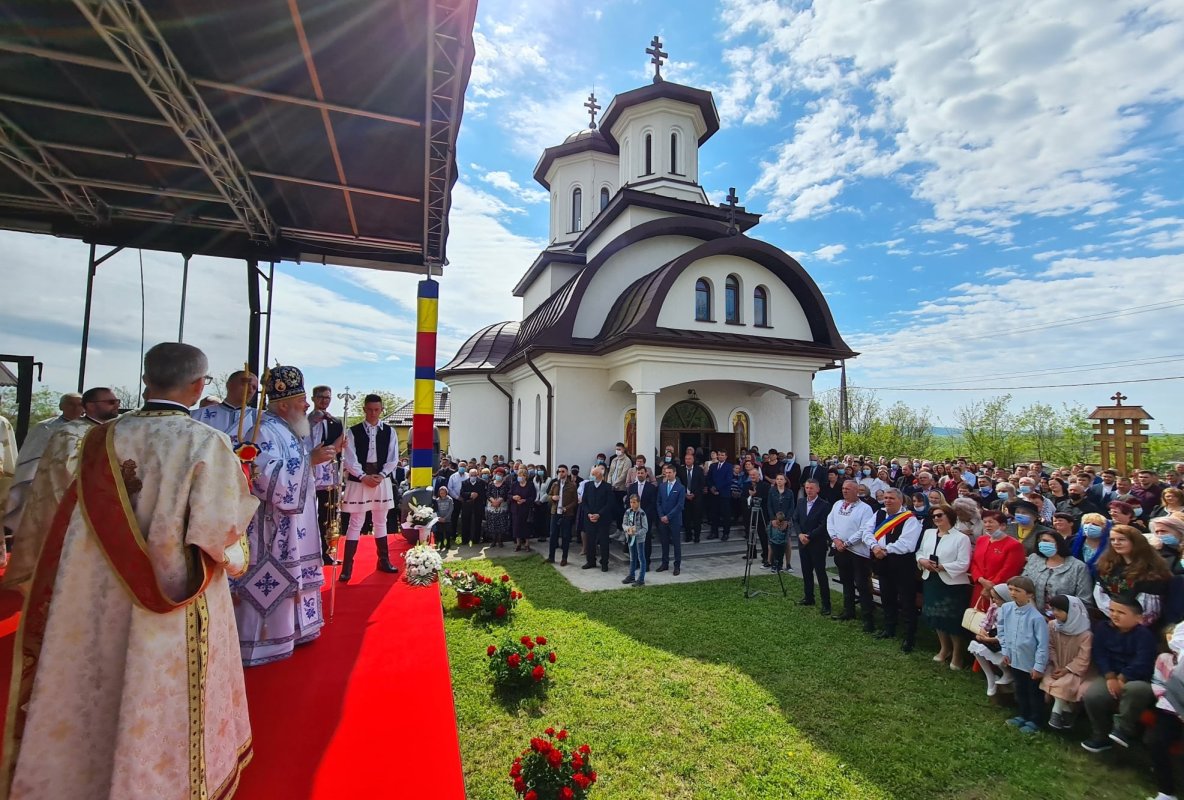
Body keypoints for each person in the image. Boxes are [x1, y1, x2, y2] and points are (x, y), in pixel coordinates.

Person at [1, 343, 256, 799]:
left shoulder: (98, 439)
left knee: (105, 674)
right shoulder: (204, 442)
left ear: (145, 380)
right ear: (199, 386)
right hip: (176, 594)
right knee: (161, 688)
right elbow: (217, 534)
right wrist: (239, 552)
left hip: (101, 587)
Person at [234, 366, 330, 666]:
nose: (306, 404)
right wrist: (309, 461)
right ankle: (264, 642)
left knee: (297, 577)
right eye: (302, 398)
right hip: (271, 528)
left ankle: (297, 630)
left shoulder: (289, 429)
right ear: (284, 403)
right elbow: (263, 477)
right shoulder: (261, 429)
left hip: (296, 525)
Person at [2, 387, 123, 590]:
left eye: (116, 401)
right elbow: (61, 472)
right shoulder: (68, 433)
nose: (117, 405)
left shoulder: (117, 430)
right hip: (76, 502)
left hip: (108, 502)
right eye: (111, 402)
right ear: (91, 406)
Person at [1081, 593, 1158, 753]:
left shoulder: (1145, 636)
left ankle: (1124, 730)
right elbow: (1099, 654)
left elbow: (1143, 662)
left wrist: (1123, 678)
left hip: (1138, 678)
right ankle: (1100, 736)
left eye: (1121, 612)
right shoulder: (1103, 628)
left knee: (1135, 690)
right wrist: (1110, 677)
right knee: (1093, 695)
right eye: (1112, 610)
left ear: (1138, 618)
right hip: (1110, 675)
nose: (1115, 615)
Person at [3, 391, 83, 533]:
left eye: (79, 405)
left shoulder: (92, 428)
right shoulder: (44, 427)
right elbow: (31, 456)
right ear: (61, 406)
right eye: (70, 404)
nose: (75, 408)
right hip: (46, 481)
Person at [339, 394, 400, 579]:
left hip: (381, 478)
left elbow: (393, 458)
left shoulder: (390, 431)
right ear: (364, 409)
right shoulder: (352, 431)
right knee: (356, 522)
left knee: (380, 520)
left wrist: (381, 475)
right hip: (359, 479)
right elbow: (349, 458)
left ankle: (383, 560)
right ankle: (347, 567)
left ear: (381, 410)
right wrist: (363, 476)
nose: (373, 413)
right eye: (370, 409)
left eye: (377, 410)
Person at [917, 504, 973, 668]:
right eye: (933, 516)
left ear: (949, 516)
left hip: (951, 583)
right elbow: (920, 552)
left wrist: (942, 567)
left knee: (952, 620)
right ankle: (944, 648)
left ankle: (957, 654)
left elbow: (964, 563)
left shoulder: (961, 538)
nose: (936, 519)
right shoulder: (928, 533)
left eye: (939, 515)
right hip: (931, 579)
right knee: (936, 616)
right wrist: (922, 561)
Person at [870, 488, 923, 651]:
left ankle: (909, 637)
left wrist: (884, 550)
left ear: (900, 500)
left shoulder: (909, 519)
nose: (887, 500)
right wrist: (874, 546)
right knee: (887, 597)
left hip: (902, 565)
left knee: (907, 602)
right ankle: (889, 628)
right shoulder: (879, 514)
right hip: (882, 562)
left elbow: (907, 544)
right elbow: (867, 532)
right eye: (885, 498)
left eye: (891, 498)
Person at [999, 575, 1051, 734]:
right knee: (1020, 689)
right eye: (1011, 589)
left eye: (1018, 590)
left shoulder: (1037, 618)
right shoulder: (1006, 609)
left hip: (1030, 662)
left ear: (1029, 595)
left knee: (1033, 692)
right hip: (1015, 658)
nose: (1013, 593)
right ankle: (1023, 714)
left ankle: (1036, 719)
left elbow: (1043, 644)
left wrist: (1039, 666)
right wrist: (1005, 651)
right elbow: (1002, 630)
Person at [1094, 524, 1173, 625]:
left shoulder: (1152, 570)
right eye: (1112, 540)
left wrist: (1129, 620)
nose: (1116, 543)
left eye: (1121, 539)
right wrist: (1115, 616)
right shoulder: (1106, 566)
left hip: (1142, 626)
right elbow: (1100, 594)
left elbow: (1151, 611)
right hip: (1111, 621)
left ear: (1135, 542)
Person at [828, 480, 877, 632]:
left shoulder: (865, 508)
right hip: (840, 550)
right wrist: (836, 539)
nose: (844, 491)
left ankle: (868, 618)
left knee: (862, 585)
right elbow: (830, 522)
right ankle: (849, 611)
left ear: (857, 491)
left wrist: (847, 543)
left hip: (857, 552)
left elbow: (864, 529)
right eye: (843, 488)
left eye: (848, 489)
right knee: (846, 582)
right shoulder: (837, 505)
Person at [1042, 595, 1094, 731]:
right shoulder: (1053, 626)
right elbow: (1050, 645)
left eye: (1059, 610)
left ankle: (1057, 711)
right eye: (1053, 609)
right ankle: (1067, 711)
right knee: (1051, 678)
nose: (1055, 613)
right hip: (1057, 664)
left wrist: (1066, 669)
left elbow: (1083, 657)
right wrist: (1056, 663)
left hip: (1075, 669)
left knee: (1064, 682)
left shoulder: (1085, 634)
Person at [307, 384, 344, 565]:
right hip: (308, 468)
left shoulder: (335, 422)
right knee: (307, 511)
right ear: (313, 398)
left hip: (328, 472)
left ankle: (326, 550)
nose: (324, 401)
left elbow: (338, 447)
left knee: (327, 513)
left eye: (328, 398)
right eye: (321, 397)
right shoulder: (303, 420)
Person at [1148, 623, 1184, 800]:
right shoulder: (1164, 659)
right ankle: (1166, 792)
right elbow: (1158, 683)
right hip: (1169, 709)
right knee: (1156, 741)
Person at [1021, 529, 1093, 611]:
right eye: (1039, 541)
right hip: (1033, 612)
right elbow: (1023, 586)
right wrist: (1035, 613)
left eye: (1046, 541)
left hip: (1066, 617)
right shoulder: (1034, 559)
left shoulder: (1078, 567)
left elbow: (1084, 600)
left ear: (1058, 543)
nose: (1042, 543)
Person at [969, 510, 1027, 607]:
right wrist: (980, 579)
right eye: (985, 522)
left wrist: (990, 586)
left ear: (1002, 525)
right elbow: (975, 562)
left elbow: (1009, 569)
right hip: (979, 586)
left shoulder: (1014, 545)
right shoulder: (981, 540)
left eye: (991, 522)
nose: (987, 525)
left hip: (999, 590)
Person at [967, 583, 1014, 697]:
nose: (994, 600)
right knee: (976, 645)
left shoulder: (1012, 610)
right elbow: (987, 622)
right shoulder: (994, 607)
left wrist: (992, 639)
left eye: (997, 598)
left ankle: (1007, 673)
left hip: (1007, 637)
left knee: (1000, 653)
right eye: (993, 598)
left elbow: (1010, 630)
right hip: (994, 633)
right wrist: (982, 631)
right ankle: (990, 677)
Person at [793, 478, 831, 614]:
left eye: (811, 488)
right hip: (802, 543)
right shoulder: (801, 502)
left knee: (820, 574)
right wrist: (800, 535)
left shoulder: (824, 505)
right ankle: (809, 597)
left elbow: (823, 525)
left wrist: (809, 536)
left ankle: (826, 604)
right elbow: (795, 519)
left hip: (817, 544)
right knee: (806, 572)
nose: (809, 491)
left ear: (817, 489)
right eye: (807, 488)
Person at [191, 370, 259, 444]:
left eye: (254, 387)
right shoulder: (197, 415)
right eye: (245, 384)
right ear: (229, 384)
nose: (250, 390)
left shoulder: (260, 417)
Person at [655, 463, 686, 576]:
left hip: (674, 520)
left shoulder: (680, 487)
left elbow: (680, 505)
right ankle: (664, 563)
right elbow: (658, 502)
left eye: (669, 472)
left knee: (676, 543)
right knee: (664, 542)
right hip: (662, 519)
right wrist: (661, 516)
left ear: (674, 473)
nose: (667, 474)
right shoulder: (662, 486)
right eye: (666, 472)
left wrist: (668, 516)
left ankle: (677, 565)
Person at [581, 465, 614, 572]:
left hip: (603, 519)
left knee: (604, 542)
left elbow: (609, 504)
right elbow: (584, 502)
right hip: (589, 518)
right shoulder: (588, 485)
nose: (592, 476)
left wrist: (599, 514)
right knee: (590, 540)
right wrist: (589, 514)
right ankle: (591, 561)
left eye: (593, 474)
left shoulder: (607, 487)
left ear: (599, 475)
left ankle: (604, 563)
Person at [627, 464, 659, 567]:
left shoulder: (651, 487)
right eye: (638, 473)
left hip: (646, 518)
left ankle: (645, 563)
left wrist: (643, 514)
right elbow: (629, 501)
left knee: (646, 541)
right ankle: (635, 562)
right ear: (636, 474)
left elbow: (652, 503)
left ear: (646, 474)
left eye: (642, 473)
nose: (640, 475)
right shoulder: (632, 487)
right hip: (633, 519)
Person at [548, 465, 578, 565]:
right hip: (555, 513)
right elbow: (548, 496)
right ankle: (551, 557)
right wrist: (552, 498)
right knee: (553, 535)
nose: (561, 473)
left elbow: (575, 501)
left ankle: (564, 558)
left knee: (565, 536)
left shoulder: (572, 485)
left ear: (567, 472)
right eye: (559, 471)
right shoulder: (555, 484)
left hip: (566, 514)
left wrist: (567, 508)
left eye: (563, 471)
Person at [766, 472, 795, 573]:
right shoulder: (772, 491)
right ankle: (774, 563)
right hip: (774, 520)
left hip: (786, 520)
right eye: (777, 479)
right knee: (774, 541)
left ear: (785, 481)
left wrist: (786, 520)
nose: (779, 481)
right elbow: (769, 505)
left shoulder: (790, 492)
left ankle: (788, 564)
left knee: (787, 542)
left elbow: (792, 507)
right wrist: (773, 519)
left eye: (781, 479)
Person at [1071, 512, 1111, 580]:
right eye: (1086, 523)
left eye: (1095, 524)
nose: (1089, 526)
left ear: (1104, 528)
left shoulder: (1110, 545)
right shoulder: (1072, 541)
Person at [621, 493, 649, 587]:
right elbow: (624, 524)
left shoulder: (642, 513)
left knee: (641, 558)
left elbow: (645, 528)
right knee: (632, 557)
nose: (632, 504)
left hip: (639, 539)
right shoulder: (628, 512)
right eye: (630, 502)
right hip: (630, 538)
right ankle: (631, 575)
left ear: (638, 502)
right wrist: (627, 529)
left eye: (634, 502)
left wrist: (636, 533)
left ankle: (641, 579)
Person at [677, 452, 705, 543]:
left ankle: (697, 536)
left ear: (693, 460)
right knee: (686, 518)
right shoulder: (680, 470)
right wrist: (685, 494)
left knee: (697, 518)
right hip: (684, 498)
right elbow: (678, 483)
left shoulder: (699, 470)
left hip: (696, 498)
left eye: (689, 459)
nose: (687, 460)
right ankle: (688, 536)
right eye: (686, 459)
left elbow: (702, 484)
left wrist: (694, 494)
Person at [707, 450, 733, 539]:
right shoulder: (713, 466)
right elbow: (708, 478)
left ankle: (726, 533)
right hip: (713, 494)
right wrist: (711, 487)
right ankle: (714, 532)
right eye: (719, 455)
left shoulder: (729, 466)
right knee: (714, 514)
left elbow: (728, 480)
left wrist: (717, 488)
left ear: (726, 456)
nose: (720, 456)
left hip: (724, 494)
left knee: (726, 514)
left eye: (722, 455)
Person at [509, 468, 536, 551]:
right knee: (517, 527)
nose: (520, 477)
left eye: (522, 475)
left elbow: (533, 496)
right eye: (519, 475)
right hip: (516, 509)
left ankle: (527, 544)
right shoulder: (514, 484)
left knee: (526, 527)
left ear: (525, 476)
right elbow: (509, 495)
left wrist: (525, 500)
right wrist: (514, 497)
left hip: (526, 509)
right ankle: (518, 544)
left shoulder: (530, 485)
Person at [608, 443, 631, 532]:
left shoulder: (627, 460)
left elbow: (624, 475)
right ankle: (617, 530)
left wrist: (615, 485)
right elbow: (610, 472)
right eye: (616, 449)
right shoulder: (614, 460)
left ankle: (622, 531)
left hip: (620, 489)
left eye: (619, 449)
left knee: (620, 510)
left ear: (623, 450)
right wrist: (609, 484)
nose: (617, 451)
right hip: (612, 488)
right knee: (614, 510)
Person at [459, 468, 486, 546]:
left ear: (477, 475)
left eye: (475, 475)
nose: (473, 476)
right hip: (467, 505)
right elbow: (462, 493)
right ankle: (465, 540)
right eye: (471, 475)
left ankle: (476, 540)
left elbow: (484, 494)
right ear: (469, 475)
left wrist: (477, 495)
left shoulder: (482, 482)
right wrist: (470, 494)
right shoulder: (464, 483)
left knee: (478, 523)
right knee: (465, 523)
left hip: (478, 505)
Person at [484, 469, 511, 547]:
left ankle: (500, 540)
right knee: (492, 524)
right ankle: (493, 540)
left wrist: (499, 501)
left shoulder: (505, 485)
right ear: (495, 474)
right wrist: (493, 501)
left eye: (501, 474)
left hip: (502, 507)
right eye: (497, 474)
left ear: (503, 476)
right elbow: (488, 494)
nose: (499, 475)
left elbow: (506, 494)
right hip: (491, 507)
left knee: (501, 524)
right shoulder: (491, 484)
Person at [432, 484, 455, 551]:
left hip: (447, 519)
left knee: (447, 531)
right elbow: (436, 510)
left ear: (446, 493)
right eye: (441, 493)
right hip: (440, 519)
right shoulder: (437, 500)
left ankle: (448, 543)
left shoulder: (450, 499)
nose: (442, 494)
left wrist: (445, 518)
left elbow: (451, 509)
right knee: (440, 532)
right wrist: (439, 517)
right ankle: (441, 543)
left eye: (443, 493)